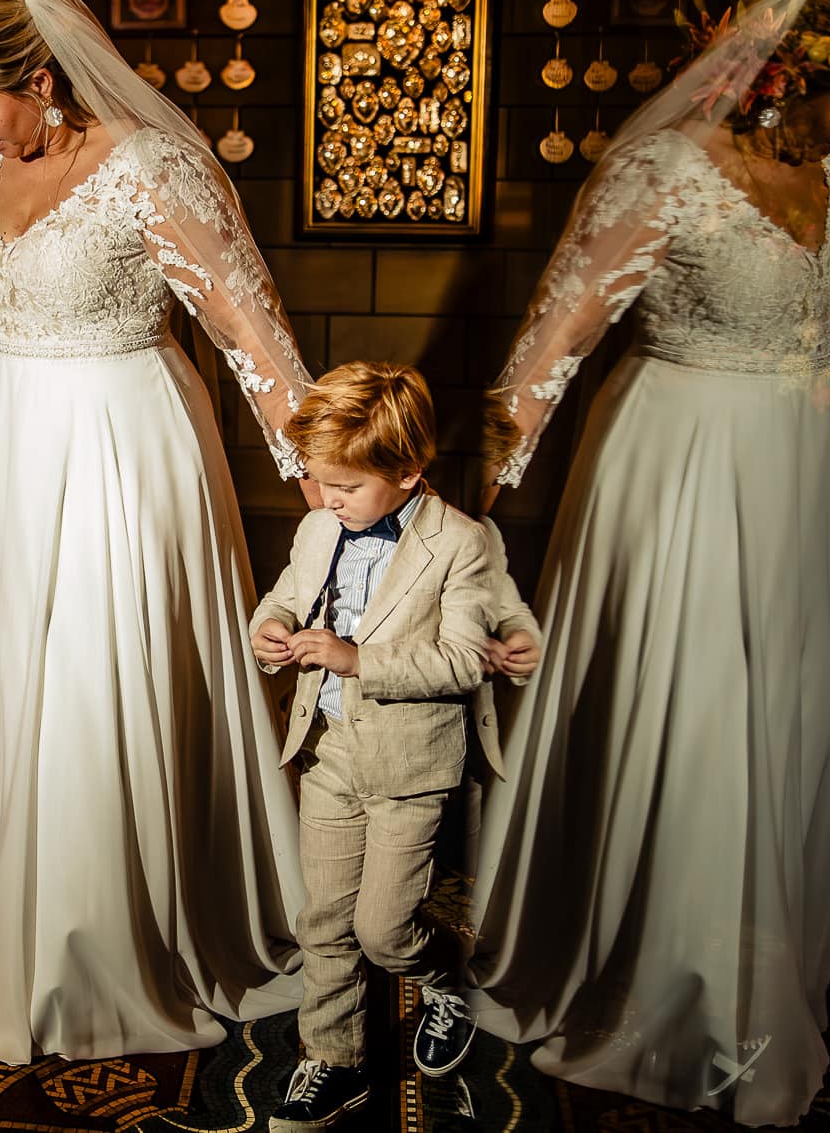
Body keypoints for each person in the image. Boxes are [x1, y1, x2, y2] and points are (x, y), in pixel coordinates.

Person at [466, 0, 830, 1126]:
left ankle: (753, 959)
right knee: (698, 707)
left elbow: (827, 320)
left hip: (801, 477)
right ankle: (666, 978)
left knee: (780, 713)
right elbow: (552, 340)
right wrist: (469, 510)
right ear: (786, 75)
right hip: (681, 467)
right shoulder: (662, 168)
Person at [0, 0, 316, 1065]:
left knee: (93, 681)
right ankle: (21, 911)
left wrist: (328, 485)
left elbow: (245, 325)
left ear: (41, 80)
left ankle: (100, 936)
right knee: (13, 674)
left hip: (113, 444)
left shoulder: (148, 167)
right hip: (4, 451)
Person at [248, 362, 538, 1132]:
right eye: (319, 481)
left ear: (407, 472)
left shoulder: (460, 542)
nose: (327, 498)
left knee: (383, 930)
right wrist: (269, 629)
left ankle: (443, 973)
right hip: (330, 752)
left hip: (411, 766)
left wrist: (357, 659)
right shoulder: (319, 526)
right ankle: (334, 1058)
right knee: (325, 921)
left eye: (345, 486)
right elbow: (283, 597)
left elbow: (461, 660)